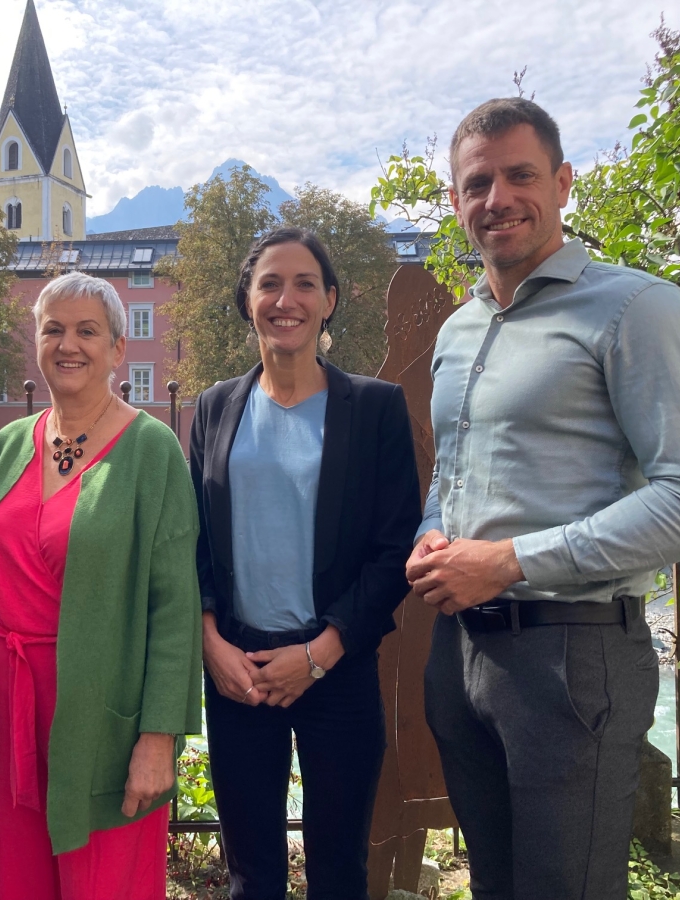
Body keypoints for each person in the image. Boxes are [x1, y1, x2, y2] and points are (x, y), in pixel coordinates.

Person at [405, 98, 680, 899]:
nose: (498, 199)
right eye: (477, 183)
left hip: (574, 656)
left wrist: (512, 561)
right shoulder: (458, 331)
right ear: (455, 200)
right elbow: (453, 474)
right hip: (461, 653)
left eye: (520, 175)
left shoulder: (639, 309)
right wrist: (433, 530)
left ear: (562, 183)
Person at [0, 271, 202, 900]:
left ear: (118, 348)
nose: (69, 345)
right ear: (35, 341)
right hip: (12, 704)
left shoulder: (152, 449)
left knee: (104, 881)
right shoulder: (10, 442)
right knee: (23, 878)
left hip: (103, 712)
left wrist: (158, 738)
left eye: (88, 331)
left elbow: (174, 608)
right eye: (53, 329)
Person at [190, 227, 421, 899]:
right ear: (248, 300)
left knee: (339, 872)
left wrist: (321, 654)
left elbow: (394, 549)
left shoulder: (374, 408)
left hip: (337, 669)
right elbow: (192, 539)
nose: (285, 299)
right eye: (269, 284)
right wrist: (210, 642)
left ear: (329, 301)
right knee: (251, 876)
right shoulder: (215, 407)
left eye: (304, 284)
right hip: (239, 673)